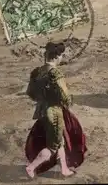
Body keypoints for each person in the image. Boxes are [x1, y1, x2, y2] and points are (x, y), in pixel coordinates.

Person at [25, 42, 75, 178]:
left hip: (41, 110)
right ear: (57, 56)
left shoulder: (37, 72)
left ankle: (64, 169)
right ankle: (31, 167)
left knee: (59, 141)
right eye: (62, 56)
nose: (62, 58)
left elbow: (30, 92)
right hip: (54, 112)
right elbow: (65, 96)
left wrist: (42, 99)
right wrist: (67, 103)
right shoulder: (55, 73)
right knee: (53, 146)